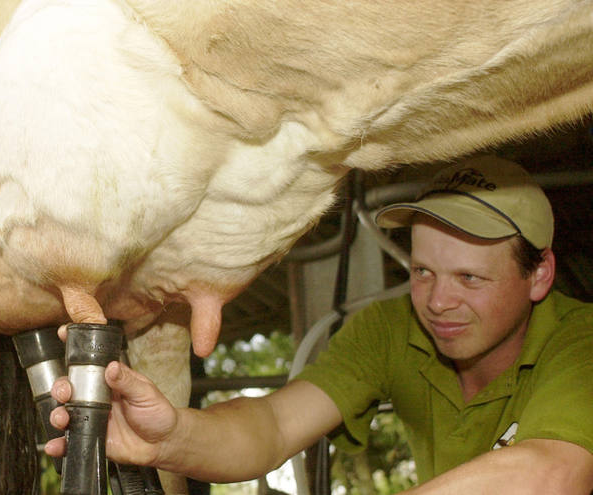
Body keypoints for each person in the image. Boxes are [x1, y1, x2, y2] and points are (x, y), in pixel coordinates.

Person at [45, 155, 593, 493]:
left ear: (539, 275)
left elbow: (551, 476)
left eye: (471, 279)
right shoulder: (390, 328)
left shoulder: (581, 340)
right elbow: (275, 427)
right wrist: (169, 437)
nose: (438, 302)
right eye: (423, 270)